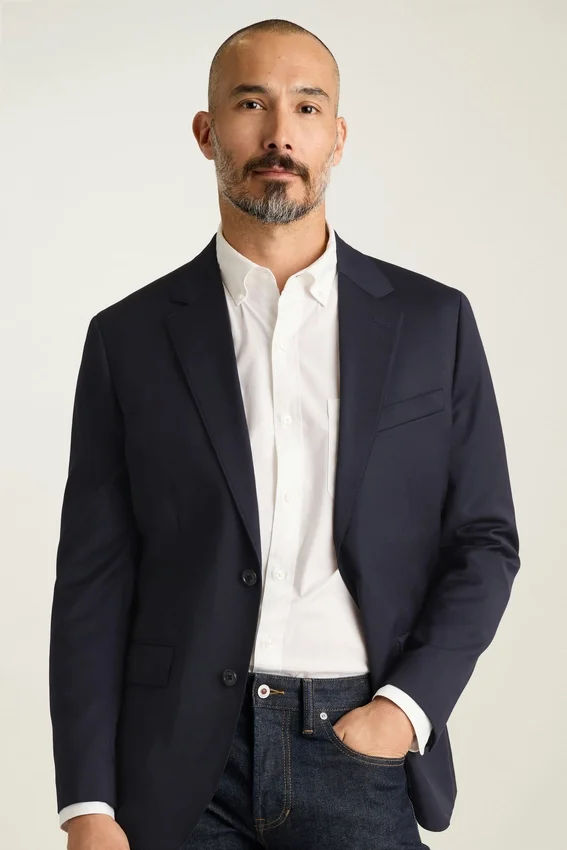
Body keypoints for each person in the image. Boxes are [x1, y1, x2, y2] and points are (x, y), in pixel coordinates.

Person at [49, 17, 520, 850]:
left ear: (337, 137)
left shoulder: (431, 322)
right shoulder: (129, 338)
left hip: (359, 746)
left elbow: (484, 539)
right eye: (249, 104)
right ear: (206, 133)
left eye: (306, 107)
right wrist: (87, 803)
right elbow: (93, 579)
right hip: (177, 768)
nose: (279, 134)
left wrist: (404, 710)